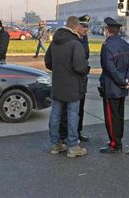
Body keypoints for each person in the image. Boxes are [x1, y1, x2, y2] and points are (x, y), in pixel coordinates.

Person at [45, 16, 88, 158]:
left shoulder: (54, 42)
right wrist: (85, 70)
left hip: (57, 83)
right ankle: (73, 145)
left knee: (55, 113)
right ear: (75, 27)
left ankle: (55, 144)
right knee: (72, 115)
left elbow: (48, 62)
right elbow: (80, 67)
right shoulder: (75, 43)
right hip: (72, 85)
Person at [99, 17, 129, 154]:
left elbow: (109, 67)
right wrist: (127, 80)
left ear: (108, 30)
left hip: (111, 87)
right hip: (123, 86)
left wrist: (121, 80)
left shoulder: (107, 45)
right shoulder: (126, 45)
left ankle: (114, 143)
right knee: (120, 115)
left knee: (111, 116)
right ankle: (118, 140)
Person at [59, 15, 91, 142]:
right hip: (73, 77)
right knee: (67, 109)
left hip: (81, 79)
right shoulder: (71, 40)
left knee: (80, 108)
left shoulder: (84, 38)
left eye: (86, 27)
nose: (85, 29)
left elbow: (86, 54)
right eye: (83, 26)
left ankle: (77, 131)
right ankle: (64, 135)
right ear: (77, 27)